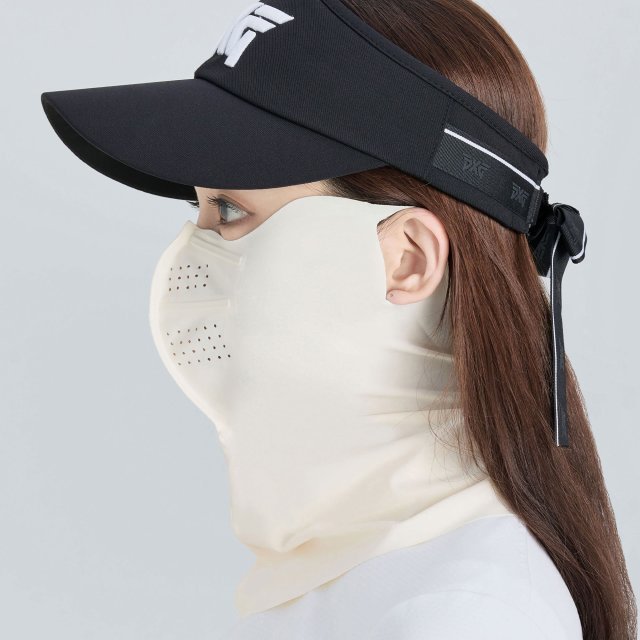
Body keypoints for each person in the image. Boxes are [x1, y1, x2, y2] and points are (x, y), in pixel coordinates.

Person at [39, 0, 637, 639]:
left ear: (406, 259)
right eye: (199, 207)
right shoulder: (344, 560)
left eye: (230, 210)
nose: (191, 249)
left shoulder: (466, 616)